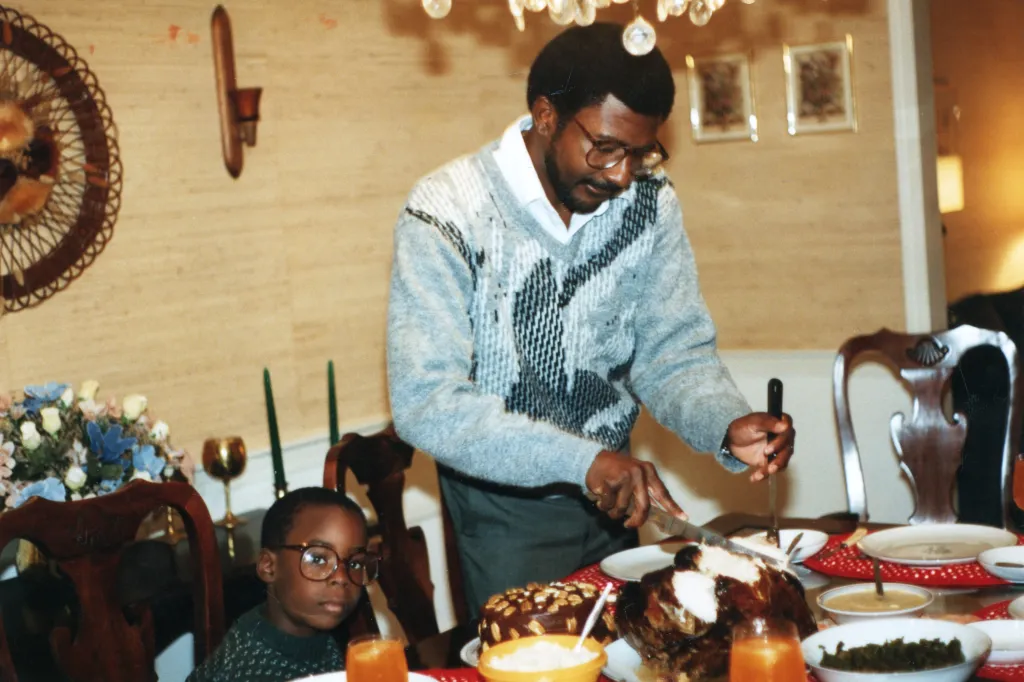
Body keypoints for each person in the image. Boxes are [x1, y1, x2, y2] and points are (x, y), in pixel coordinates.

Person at [386, 22, 796, 616]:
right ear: (545, 115)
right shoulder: (446, 211)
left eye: (640, 152)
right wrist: (583, 462)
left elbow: (671, 353)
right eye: (604, 147)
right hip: (505, 510)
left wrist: (727, 423)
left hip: (617, 496)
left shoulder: (648, 202)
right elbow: (428, 402)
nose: (621, 175)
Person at [187, 487, 377, 682]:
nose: (342, 577)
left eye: (354, 563)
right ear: (269, 566)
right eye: (318, 559)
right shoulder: (252, 670)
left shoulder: (311, 633)